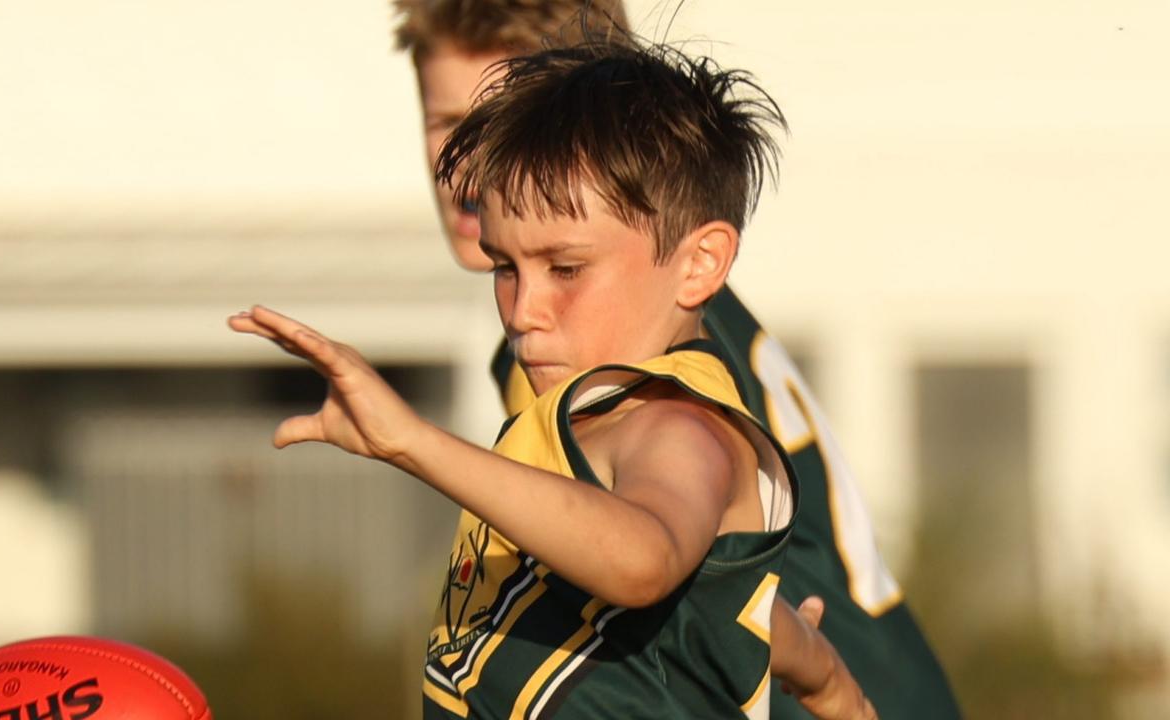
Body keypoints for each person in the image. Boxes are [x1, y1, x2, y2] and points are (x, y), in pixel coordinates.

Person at [232, 38, 874, 719]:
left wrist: (413, 442)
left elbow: (642, 560)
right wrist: (829, 682)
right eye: (505, 267)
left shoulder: (676, 426)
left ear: (699, 263)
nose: (523, 308)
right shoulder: (582, 423)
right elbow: (745, 617)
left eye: (565, 269)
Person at [393, 2, 960, 717]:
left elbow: (673, 578)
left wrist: (409, 441)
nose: (475, 169)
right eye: (451, 125)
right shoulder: (610, 307)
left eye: (513, 120)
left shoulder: (636, 348)